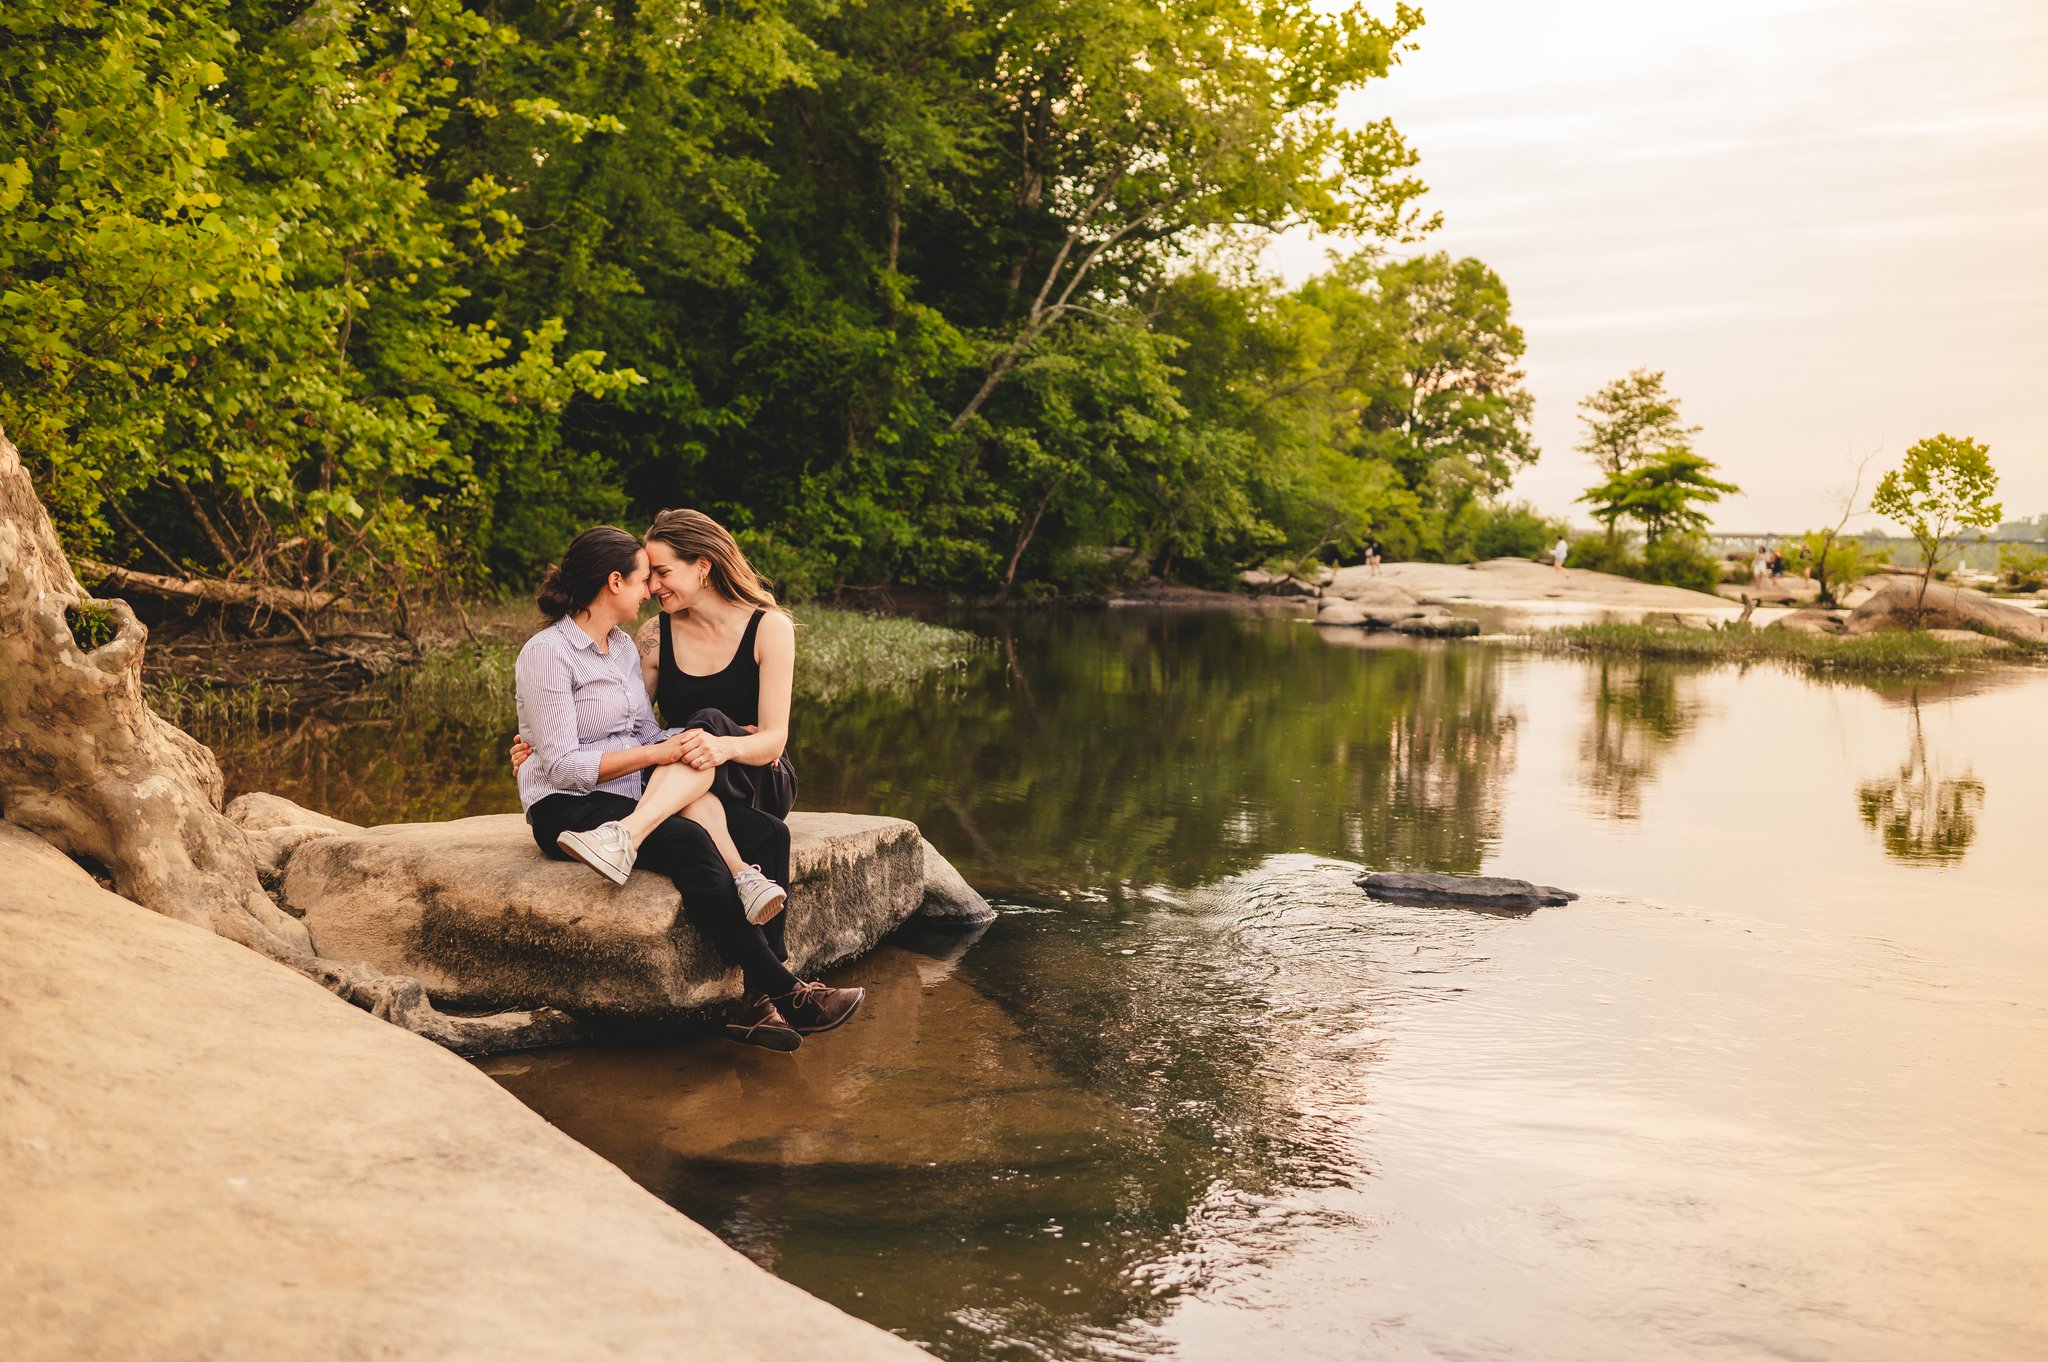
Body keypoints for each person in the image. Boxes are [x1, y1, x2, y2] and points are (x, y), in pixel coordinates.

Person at [512, 524, 862, 1051]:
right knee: (692, 843)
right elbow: (562, 766)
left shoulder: (624, 648)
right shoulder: (548, 652)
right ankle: (788, 992)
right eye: (642, 579)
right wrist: (665, 750)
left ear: (702, 566)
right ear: (613, 582)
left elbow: (643, 732)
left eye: (658, 575)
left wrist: (698, 739)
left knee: (768, 832)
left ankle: (752, 1004)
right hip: (565, 805)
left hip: (630, 792)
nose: (650, 589)